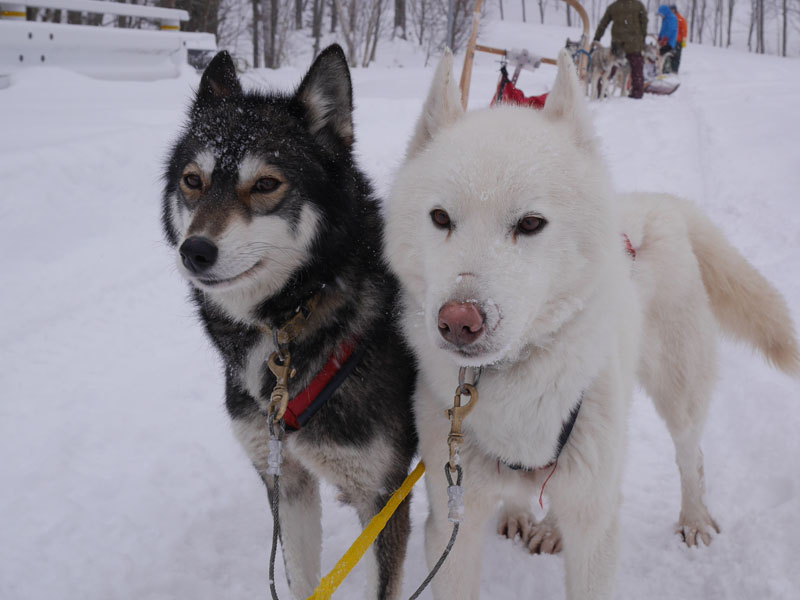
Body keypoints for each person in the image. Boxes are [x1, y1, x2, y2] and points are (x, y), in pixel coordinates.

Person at [594, 0, 648, 99]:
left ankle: (601, 89)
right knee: (637, 69)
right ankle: (637, 92)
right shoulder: (638, 5)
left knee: (610, 67)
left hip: (618, 44)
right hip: (635, 43)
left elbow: (603, 24)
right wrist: (643, 38)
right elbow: (644, 22)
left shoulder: (613, 6)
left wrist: (597, 38)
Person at [658, 4, 678, 72]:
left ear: (665, 12)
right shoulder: (665, 18)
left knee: (661, 54)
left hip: (670, 41)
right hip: (664, 40)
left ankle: (664, 70)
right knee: (659, 54)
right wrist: (660, 37)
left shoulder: (672, 17)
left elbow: (671, 29)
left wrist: (665, 39)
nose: (661, 16)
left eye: (661, 14)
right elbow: (663, 29)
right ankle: (661, 69)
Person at [671, 5, 688, 73]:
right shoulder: (670, 19)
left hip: (678, 41)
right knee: (670, 55)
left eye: (672, 10)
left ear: (675, 10)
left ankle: (675, 70)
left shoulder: (681, 19)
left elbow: (684, 31)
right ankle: (670, 70)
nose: (671, 11)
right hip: (671, 41)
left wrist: (684, 41)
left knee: (677, 56)